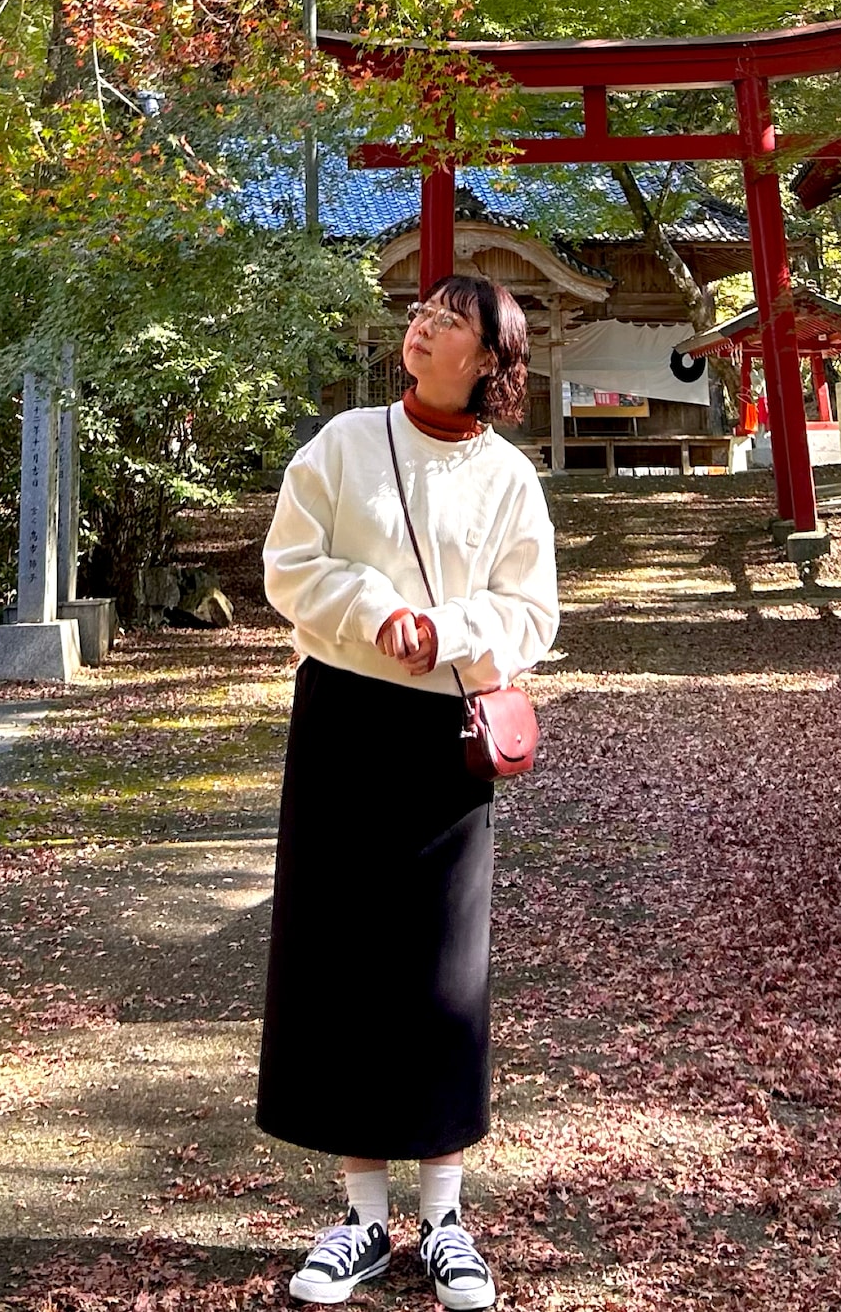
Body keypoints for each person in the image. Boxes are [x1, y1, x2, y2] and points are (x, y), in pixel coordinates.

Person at [257, 274, 559, 1309]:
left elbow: (532, 611)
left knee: (441, 964)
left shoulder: (509, 478)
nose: (422, 326)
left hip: (446, 737)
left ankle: (444, 1218)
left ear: (490, 362)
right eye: (423, 312)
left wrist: (449, 629)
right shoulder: (343, 442)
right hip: (343, 717)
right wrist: (376, 607)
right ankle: (359, 1218)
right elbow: (290, 566)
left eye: (450, 321)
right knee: (344, 956)